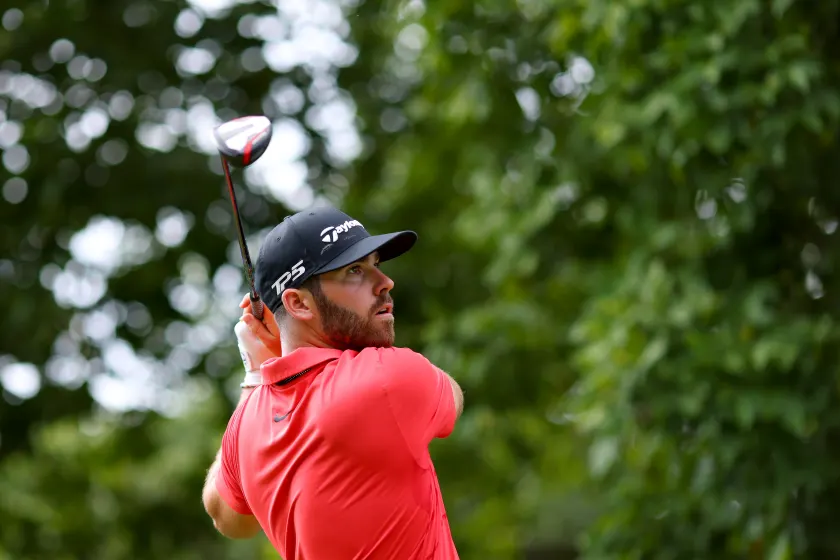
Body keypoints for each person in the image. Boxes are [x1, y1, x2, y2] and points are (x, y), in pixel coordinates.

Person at [201, 206, 464, 559]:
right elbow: (453, 399)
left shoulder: (246, 424)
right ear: (298, 303)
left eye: (376, 264)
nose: (385, 282)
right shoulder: (386, 377)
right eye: (355, 270)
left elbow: (228, 518)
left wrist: (256, 375)